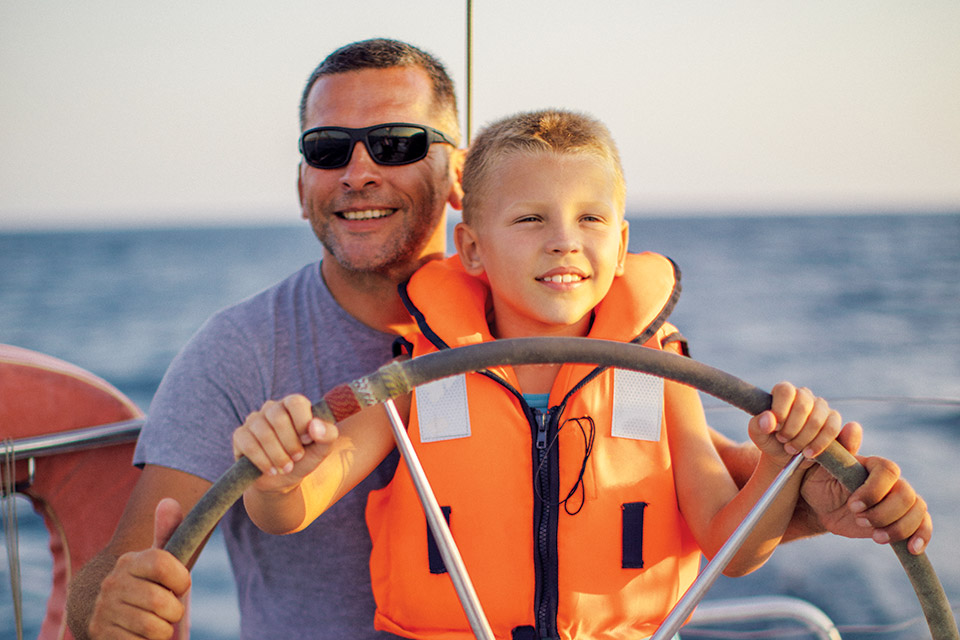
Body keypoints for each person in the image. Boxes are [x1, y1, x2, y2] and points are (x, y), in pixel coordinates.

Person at [66, 38, 930, 640]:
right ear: (301, 185)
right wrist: (128, 602)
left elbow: (718, 515)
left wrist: (827, 486)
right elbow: (181, 548)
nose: (359, 169)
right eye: (329, 149)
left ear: (453, 181)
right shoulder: (269, 356)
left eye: (396, 143)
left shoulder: (642, 363)